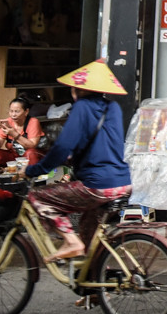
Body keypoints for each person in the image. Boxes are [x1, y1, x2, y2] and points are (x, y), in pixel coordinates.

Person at [24, 60, 131, 263]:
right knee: (89, 240)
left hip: (97, 184)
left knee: (37, 196)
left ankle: (70, 241)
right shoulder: (113, 108)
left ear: (78, 90)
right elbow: (103, 143)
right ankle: (92, 290)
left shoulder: (82, 107)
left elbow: (63, 148)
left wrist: (36, 169)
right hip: (122, 182)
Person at [0, 97, 45, 170]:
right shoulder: (7, 122)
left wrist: (14, 134)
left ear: (26, 112)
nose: (13, 115)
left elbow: (32, 145)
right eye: (11, 111)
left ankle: (31, 178)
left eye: (17, 111)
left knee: (30, 153)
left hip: (30, 156)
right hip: (13, 156)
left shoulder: (33, 122)